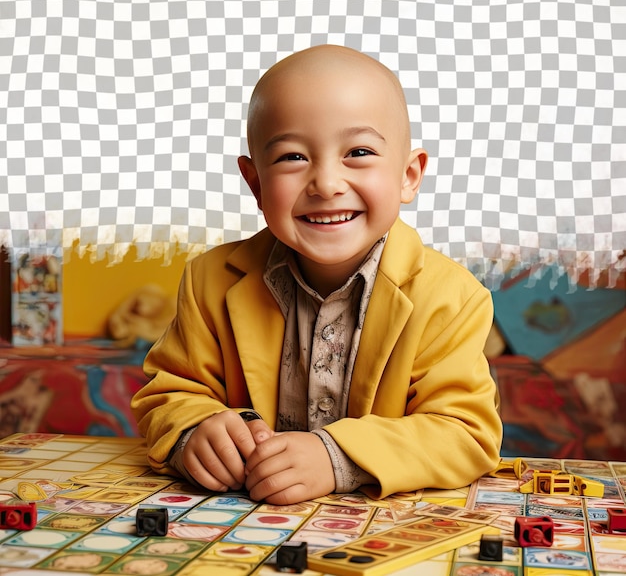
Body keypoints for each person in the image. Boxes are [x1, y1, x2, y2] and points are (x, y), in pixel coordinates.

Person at [131, 44, 502, 506]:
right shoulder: (210, 280)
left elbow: (465, 433)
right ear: (255, 184)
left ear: (408, 176)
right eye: (292, 157)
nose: (326, 183)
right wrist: (194, 432)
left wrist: (336, 457)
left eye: (359, 152)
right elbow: (169, 392)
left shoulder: (451, 297)